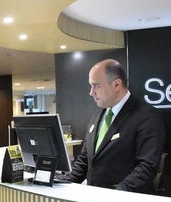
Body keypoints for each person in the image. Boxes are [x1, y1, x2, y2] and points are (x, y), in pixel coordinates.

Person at [64, 59, 165, 193]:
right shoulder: (97, 116)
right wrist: (63, 182)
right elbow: (85, 159)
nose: (91, 92)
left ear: (117, 84)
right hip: (95, 201)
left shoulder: (147, 116)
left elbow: (146, 167)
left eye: (96, 86)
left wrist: (115, 196)